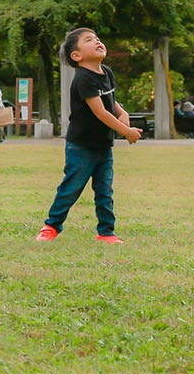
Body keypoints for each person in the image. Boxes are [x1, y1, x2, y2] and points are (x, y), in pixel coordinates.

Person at [36, 27, 141, 245]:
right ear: (77, 56)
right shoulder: (83, 79)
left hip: (103, 146)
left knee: (104, 191)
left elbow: (111, 102)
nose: (97, 41)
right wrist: (126, 132)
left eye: (97, 38)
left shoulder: (107, 73)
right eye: (89, 40)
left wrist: (123, 113)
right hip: (81, 146)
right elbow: (100, 111)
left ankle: (106, 232)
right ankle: (51, 226)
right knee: (71, 187)